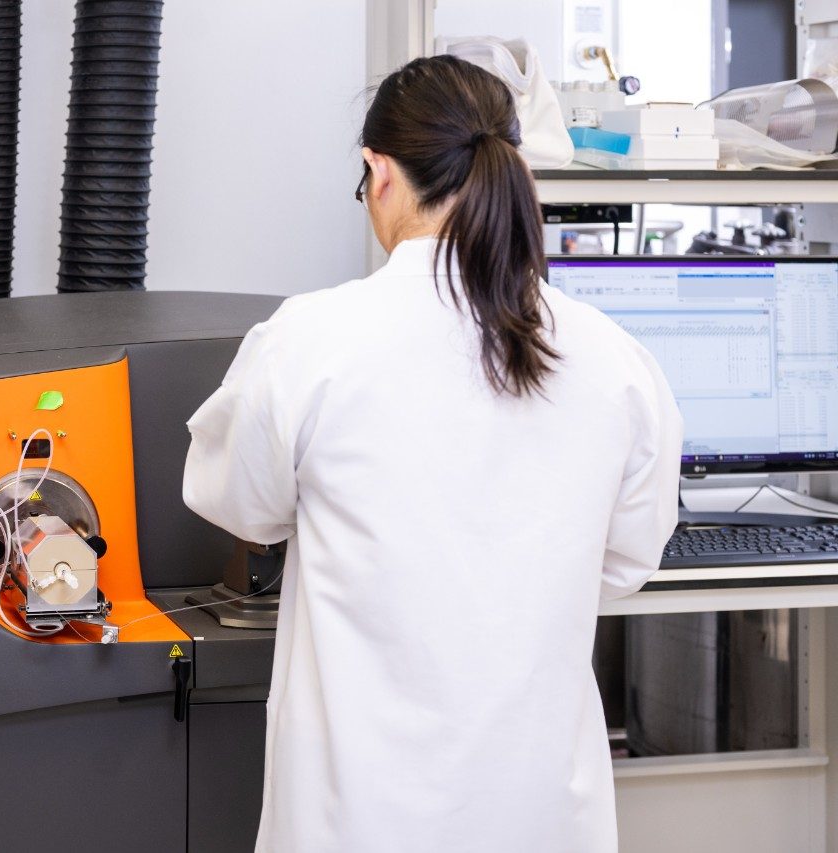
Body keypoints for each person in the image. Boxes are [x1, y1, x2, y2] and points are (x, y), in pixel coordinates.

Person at [181, 55, 682, 853]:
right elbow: (625, 561)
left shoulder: (311, 340)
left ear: (378, 171)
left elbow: (240, 505)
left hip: (361, 818)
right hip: (544, 814)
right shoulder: (615, 359)